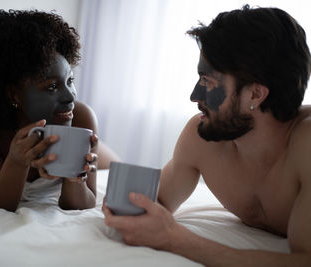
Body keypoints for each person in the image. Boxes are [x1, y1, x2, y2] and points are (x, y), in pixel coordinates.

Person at [103, 5, 311, 266]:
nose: (194, 96)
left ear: (255, 95)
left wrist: (177, 239)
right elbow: (156, 203)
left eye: (208, 82)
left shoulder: (306, 145)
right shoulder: (201, 136)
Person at [0, 9, 118, 212]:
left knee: (117, 166)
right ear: (13, 94)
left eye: (70, 81)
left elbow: (78, 204)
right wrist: (16, 161)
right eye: (51, 86)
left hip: (106, 161)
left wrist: (77, 176)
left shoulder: (81, 117)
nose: (70, 97)